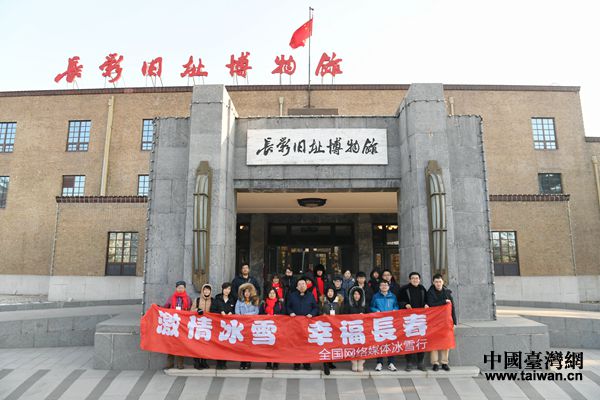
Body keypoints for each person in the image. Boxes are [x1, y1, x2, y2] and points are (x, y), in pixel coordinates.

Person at [398, 271, 429, 371]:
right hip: (409, 319)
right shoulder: (404, 289)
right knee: (409, 341)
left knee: (421, 340)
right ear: (409, 279)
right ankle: (409, 363)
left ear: (419, 280)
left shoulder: (422, 289)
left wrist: (426, 304)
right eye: (413, 278)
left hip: (420, 319)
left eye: (417, 278)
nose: (415, 280)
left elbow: (427, 300)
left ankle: (420, 363)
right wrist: (405, 304)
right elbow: (399, 301)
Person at [286, 277, 318, 371]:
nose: (302, 286)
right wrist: (291, 312)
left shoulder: (311, 295)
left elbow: (315, 307)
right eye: (299, 284)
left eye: (303, 284)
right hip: (295, 325)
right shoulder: (292, 295)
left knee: (307, 345)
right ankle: (296, 363)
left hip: (307, 324)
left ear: (306, 286)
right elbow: (287, 306)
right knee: (296, 344)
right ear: (297, 287)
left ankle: (307, 363)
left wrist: (311, 314)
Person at [427, 273, 457, 371]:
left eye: (440, 281)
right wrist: (444, 302)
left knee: (446, 342)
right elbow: (431, 304)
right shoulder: (430, 293)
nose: (438, 283)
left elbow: (452, 308)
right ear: (433, 282)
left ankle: (444, 362)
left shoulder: (447, 292)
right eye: (436, 282)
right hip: (434, 322)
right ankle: (435, 363)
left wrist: (454, 322)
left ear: (443, 282)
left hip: (446, 322)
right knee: (434, 342)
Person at [370, 280, 399, 372]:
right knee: (380, 343)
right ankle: (379, 362)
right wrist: (376, 311)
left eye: (386, 285)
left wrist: (395, 309)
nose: (384, 286)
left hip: (390, 322)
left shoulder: (393, 296)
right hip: (380, 322)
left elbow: (396, 306)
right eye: (382, 285)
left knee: (391, 342)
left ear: (389, 286)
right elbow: (371, 307)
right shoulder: (375, 296)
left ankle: (391, 363)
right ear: (379, 286)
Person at [163, 280, 192, 369]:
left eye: (182, 287)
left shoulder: (188, 299)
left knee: (181, 344)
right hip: (172, 324)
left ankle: (180, 363)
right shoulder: (171, 298)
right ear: (176, 288)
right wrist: (158, 307)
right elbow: (165, 307)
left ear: (185, 288)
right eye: (179, 287)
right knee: (170, 343)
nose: (180, 289)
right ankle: (170, 363)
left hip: (183, 325)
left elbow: (190, 310)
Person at [319, 285, 344, 375]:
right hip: (325, 327)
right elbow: (318, 311)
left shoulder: (339, 302)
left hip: (335, 327)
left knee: (333, 345)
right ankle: (325, 364)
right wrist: (322, 314)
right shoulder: (322, 301)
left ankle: (330, 362)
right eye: (328, 291)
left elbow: (342, 313)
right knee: (325, 345)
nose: (330, 293)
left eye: (332, 291)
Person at [259, 287, 285, 370]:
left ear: (276, 294)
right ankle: (268, 363)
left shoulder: (280, 303)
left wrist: (277, 316)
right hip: (267, 328)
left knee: (276, 346)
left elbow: (284, 313)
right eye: (270, 293)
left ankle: (276, 363)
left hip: (277, 327)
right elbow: (260, 314)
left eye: (273, 293)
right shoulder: (264, 304)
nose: (272, 294)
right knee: (268, 346)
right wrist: (265, 316)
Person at [344, 286, 369, 372]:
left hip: (363, 330)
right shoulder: (348, 305)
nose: (356, 296)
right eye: (355, 294)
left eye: (358, 294)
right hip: (351, 330)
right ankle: (354, 361)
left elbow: (370, 316)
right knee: (353, 346)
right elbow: (344, 316)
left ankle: (361, 361)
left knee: (362, 346)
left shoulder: (365, 305)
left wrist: (364, 316)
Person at [235, 283, 260, 370]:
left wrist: (245, 315)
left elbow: (256, 312)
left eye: (248, 292)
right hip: (242, 326)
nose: (247, 293)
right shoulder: (239, 301)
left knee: (249, 345)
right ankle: (242, 362)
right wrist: (243, 316)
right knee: (242, 345)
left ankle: (248, 361)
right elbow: (237, 312)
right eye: (245, 292)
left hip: (251, 325)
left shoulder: (255, 300)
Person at [212, 282, 236, 369]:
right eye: (225, 289)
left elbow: (235, 310)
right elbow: (212, 310)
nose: (227, 291)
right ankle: (219, 363)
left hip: (228, 326)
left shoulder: (232, 299)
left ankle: (224, 363)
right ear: (222, 289)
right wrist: (220, 312)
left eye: (229, 289)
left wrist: (231, 313)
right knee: (219, 344)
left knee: (226, 344)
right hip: (219, 325)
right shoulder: (217, 298)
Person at [190, 283, 214, 369]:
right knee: (197, 345)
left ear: (210, 291)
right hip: (198, 325)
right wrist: (197, 310)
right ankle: (196, 362)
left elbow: (215, 310)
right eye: (205, 290)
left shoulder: (213, 300)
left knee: (206, 345)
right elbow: (191, 310)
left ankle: (204, 361)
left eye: (208, 290)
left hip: (208, 325)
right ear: (202, 291)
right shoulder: (197, 300)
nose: (206, 291)